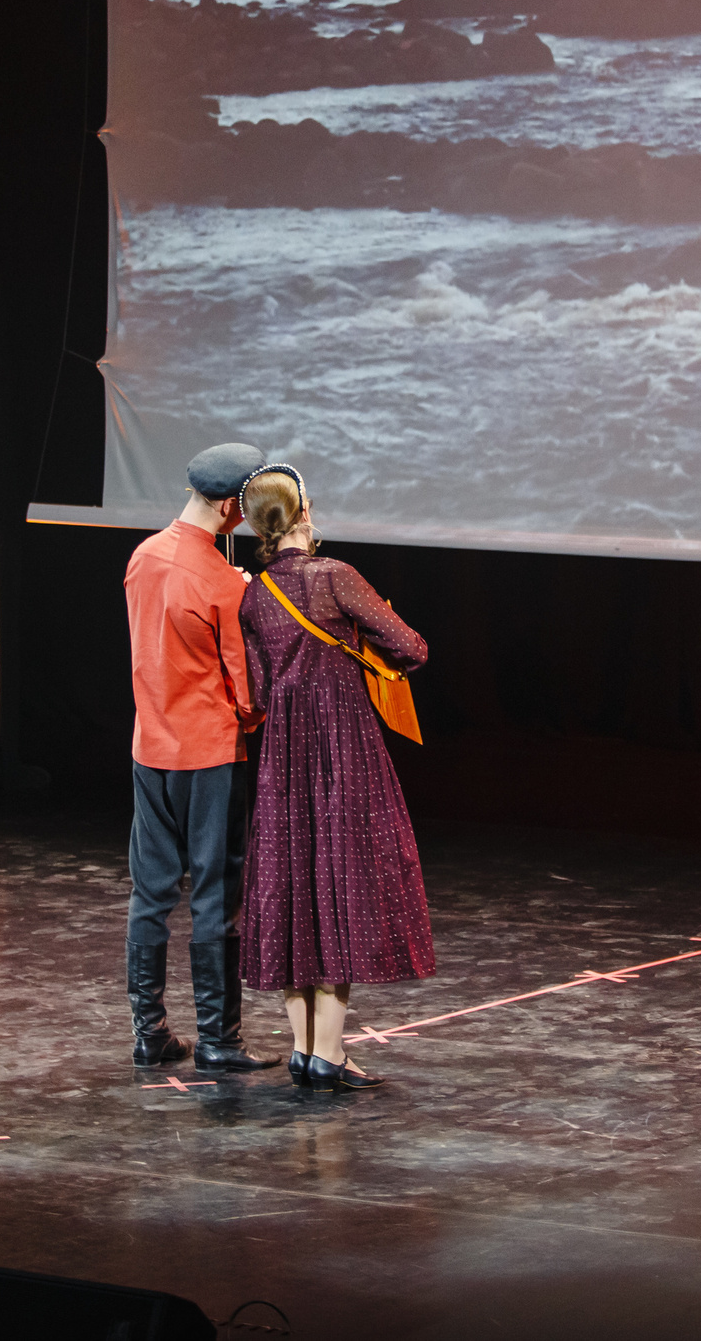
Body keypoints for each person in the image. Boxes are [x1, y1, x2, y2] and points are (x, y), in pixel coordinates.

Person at [234, 466, 435, 1091]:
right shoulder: (335, 575)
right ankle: (329, 1053)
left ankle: (303, 1049)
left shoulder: (253, 596)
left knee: (293, 882)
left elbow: (258, 690)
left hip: (283, 751)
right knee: (341, 879)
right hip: (342, 742)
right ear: (304, 513)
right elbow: (412, 648)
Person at [120, 442, 280, 1074]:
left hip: (150, 747)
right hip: (209, 755)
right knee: (215, 895)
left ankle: (150, 1032)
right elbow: (247, 693)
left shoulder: (143, 555)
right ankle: (219, 1040)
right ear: (231, 507)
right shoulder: (221, 582)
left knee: (151, 892)